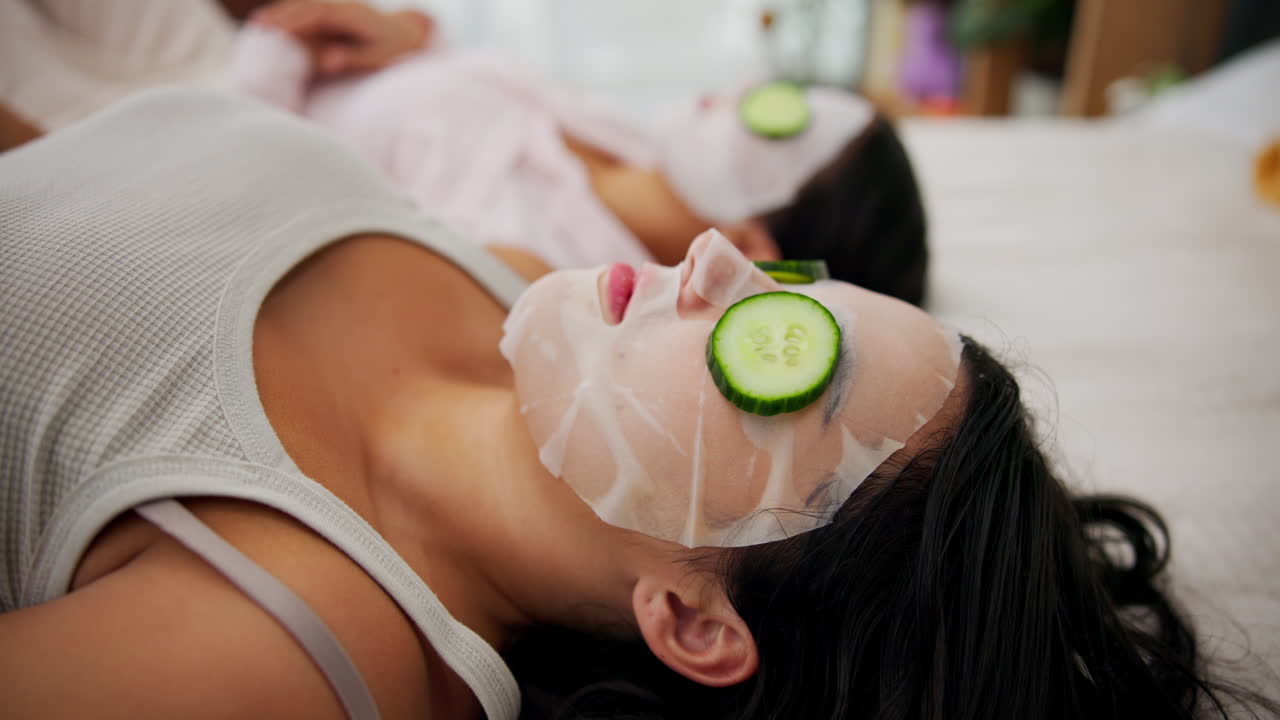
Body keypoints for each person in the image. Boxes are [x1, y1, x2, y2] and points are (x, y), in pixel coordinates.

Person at [1, 88, 1273, 720]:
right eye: (792, 291)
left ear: (695, 624)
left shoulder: (305, 649)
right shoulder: (498, 281)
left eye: (783, 360)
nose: (715, 264)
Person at [232, 1, 931, 305]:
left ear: (754, 246)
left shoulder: (529, 259)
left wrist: (281, 51)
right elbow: (472, 93)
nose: (745, 86)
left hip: (234, 88)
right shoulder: (621, 140)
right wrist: (411, 36)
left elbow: (252, 202)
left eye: (776, 122)